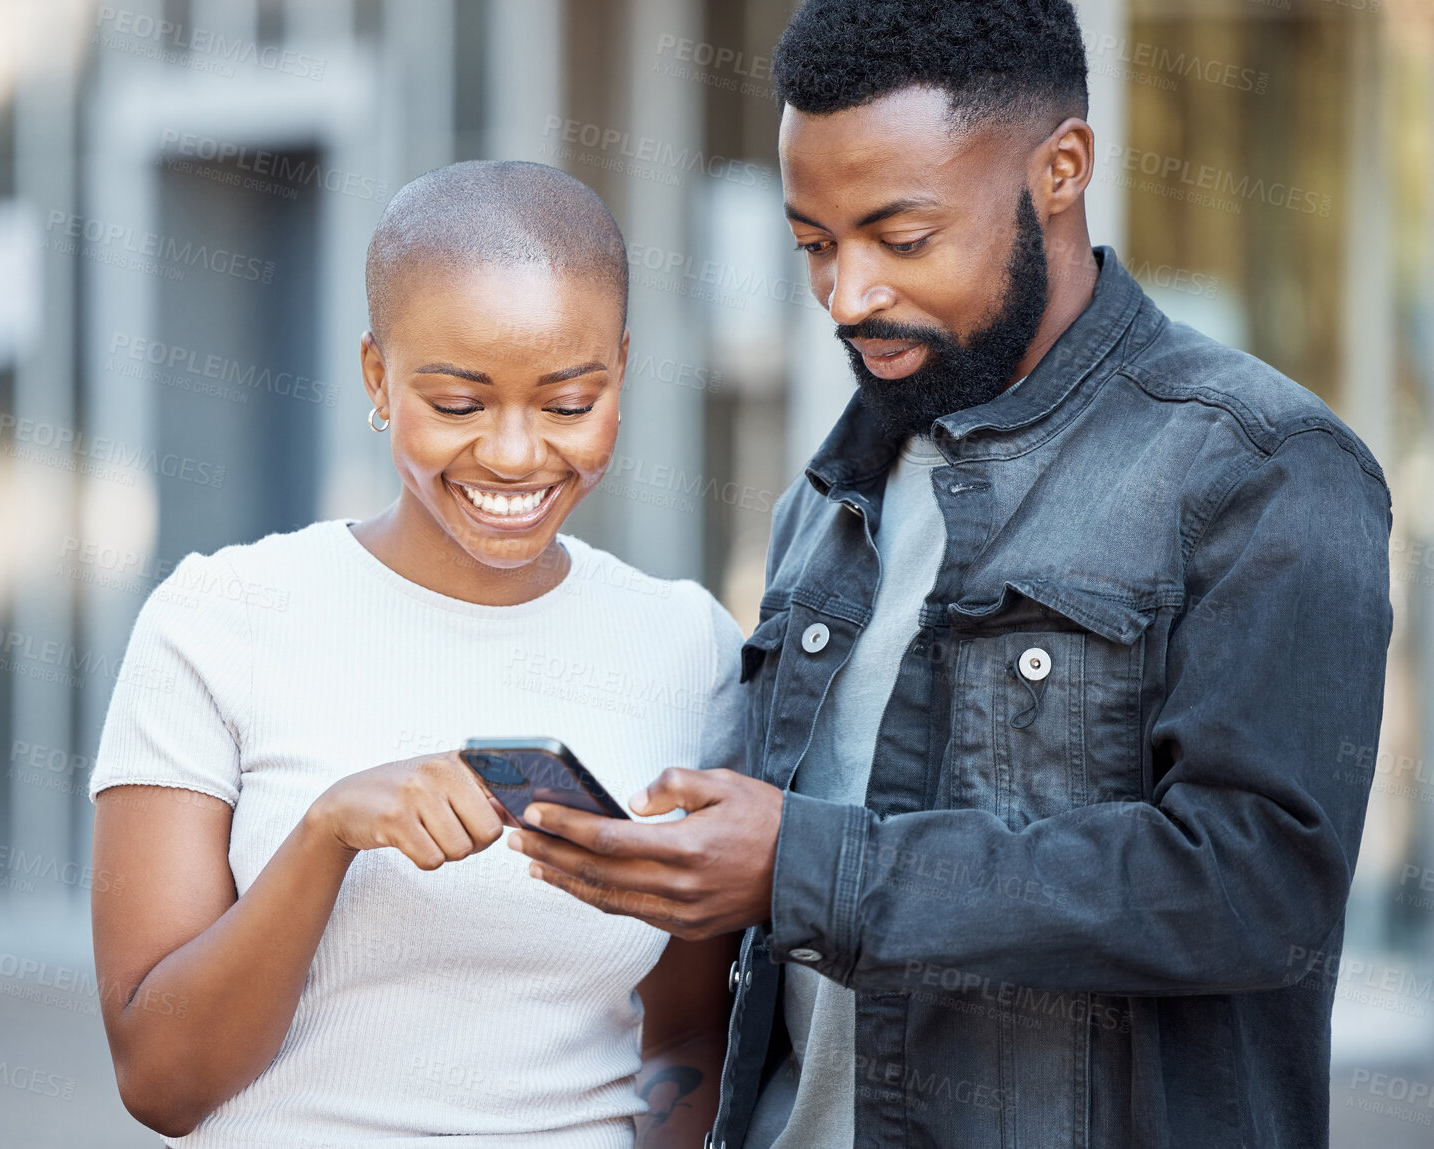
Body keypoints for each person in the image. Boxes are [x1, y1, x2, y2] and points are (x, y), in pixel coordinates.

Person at [506, 2, 1394, 1147]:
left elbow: (1254, 894)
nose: (849, 295)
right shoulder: (825, 505)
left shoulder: (1261, 471)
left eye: (900, 237)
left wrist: (804, 863)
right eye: (815, 245)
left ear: (1062, 168)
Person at [87, 160, 745, 1148]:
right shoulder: (216, 620)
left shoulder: (687, 646)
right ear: (376, 379)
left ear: (620, 372)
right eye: (459, 403)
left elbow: (689, 1028)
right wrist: (325, 836)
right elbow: (162, 1083)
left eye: (568, 403)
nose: (517, 454)